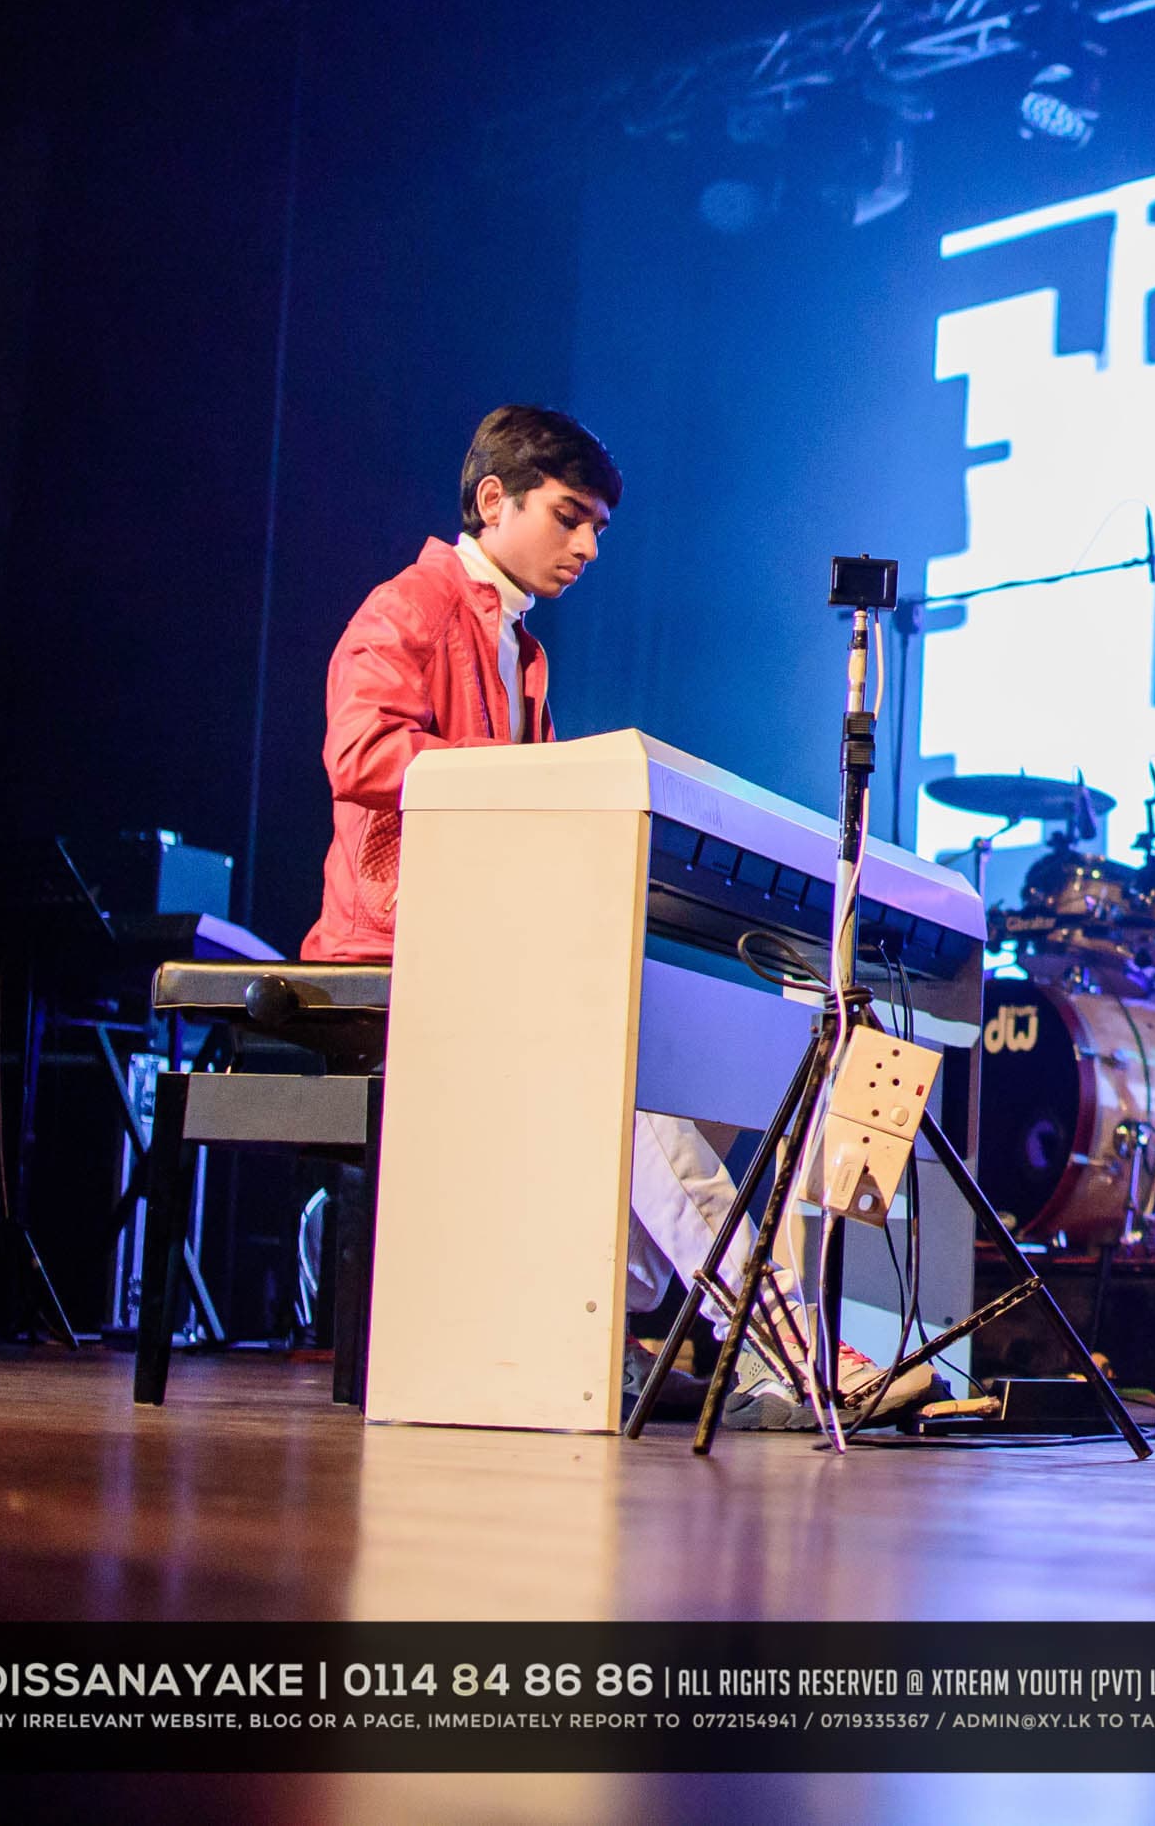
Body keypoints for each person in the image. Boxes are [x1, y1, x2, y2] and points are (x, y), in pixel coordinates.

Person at [303, 404, 917, 1426]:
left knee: (709, 1068)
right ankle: (787, 1345)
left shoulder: (522, 651)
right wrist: (539, 783)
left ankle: (613, 1330)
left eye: (599, 528)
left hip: (489, 945)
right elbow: (360, 758)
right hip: (402, 946)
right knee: (633, 1092)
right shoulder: (404, 607)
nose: (587, 546)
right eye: (569, 517)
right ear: (492, 501)